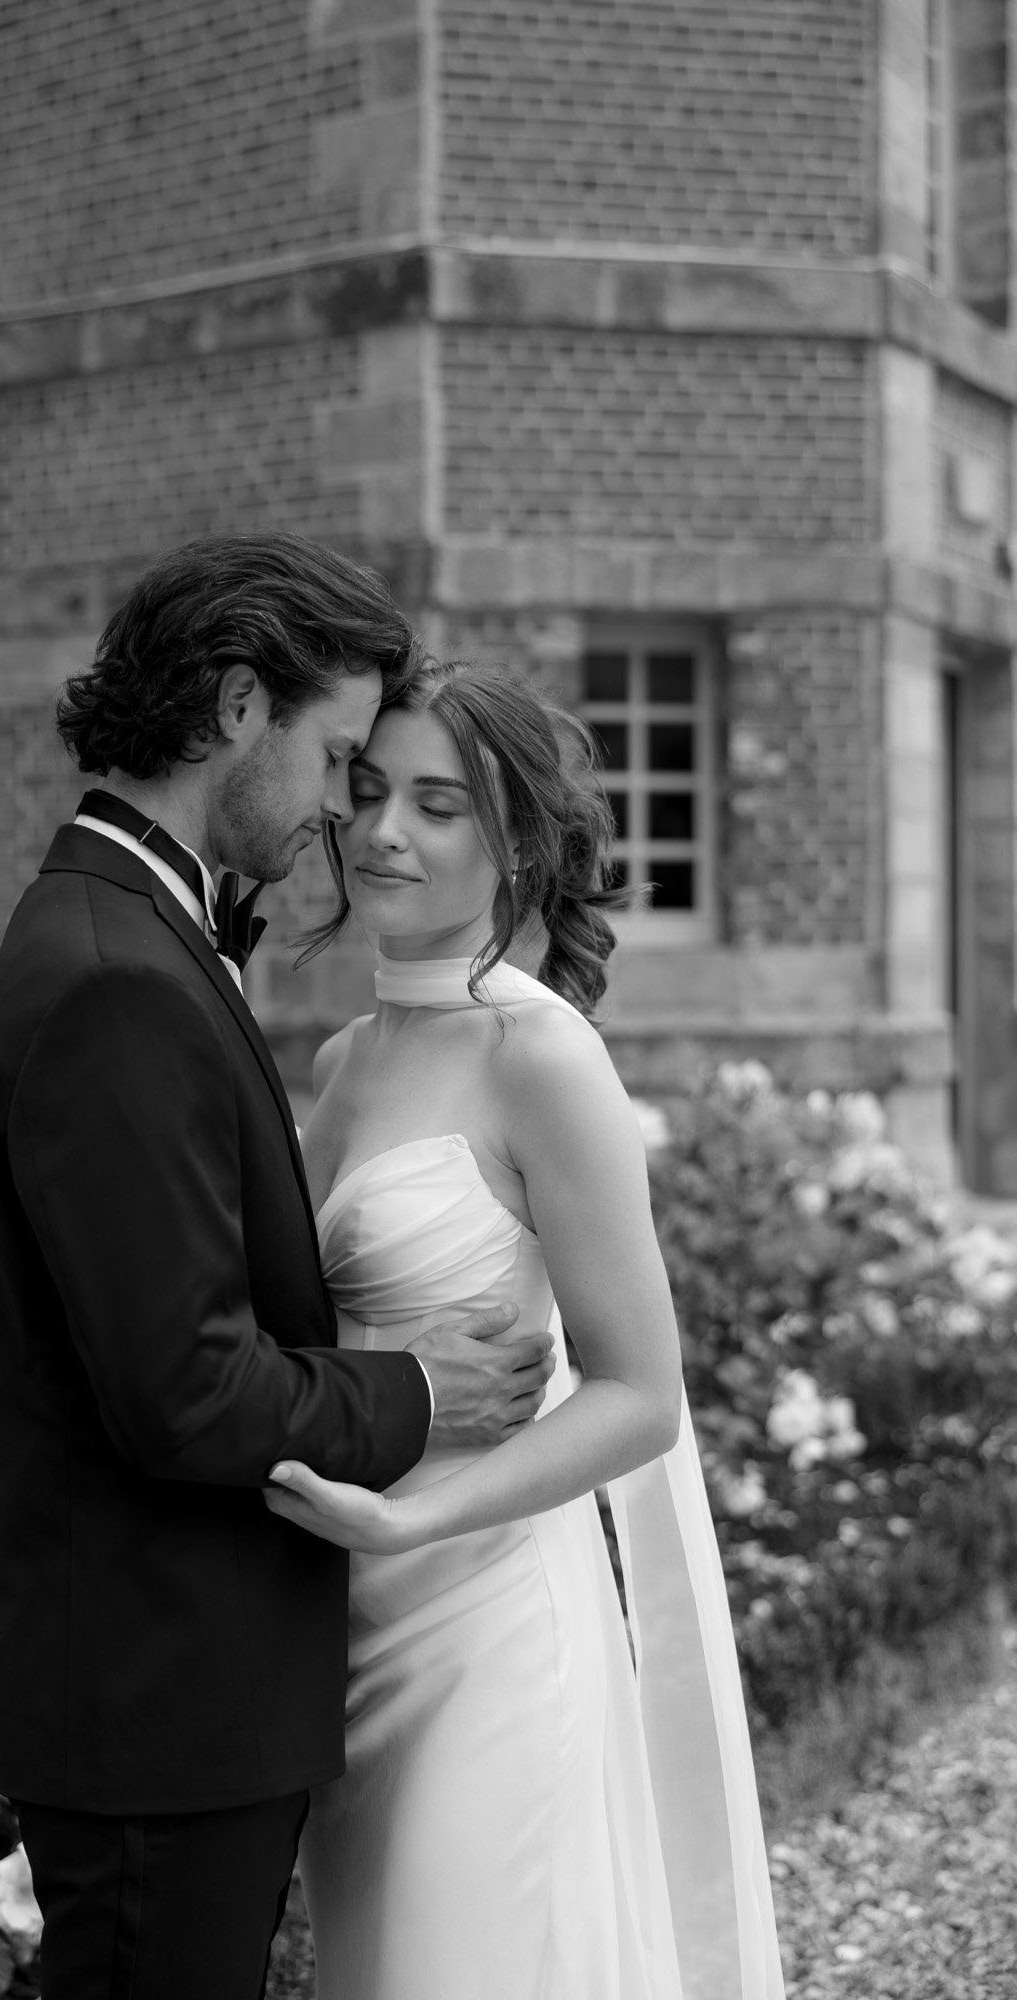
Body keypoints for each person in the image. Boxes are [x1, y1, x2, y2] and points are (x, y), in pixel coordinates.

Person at [0, 537, 556, 2000]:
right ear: (232, 708)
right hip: (155, 1702)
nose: (349, 807)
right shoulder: (111, 977)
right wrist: (420, 1392)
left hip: (161, 1687)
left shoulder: (132, 935)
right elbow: (183, 1391)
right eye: (339, 752)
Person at [266, 657, 787, 1999]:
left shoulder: (538, 1057)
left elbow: (637, 1397)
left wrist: (413, 1521)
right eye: (369, 790)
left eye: (439, 807)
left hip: (483, 1607)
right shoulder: (343, 1061)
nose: (384, 832)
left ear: (516, 851)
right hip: (346, 1614)